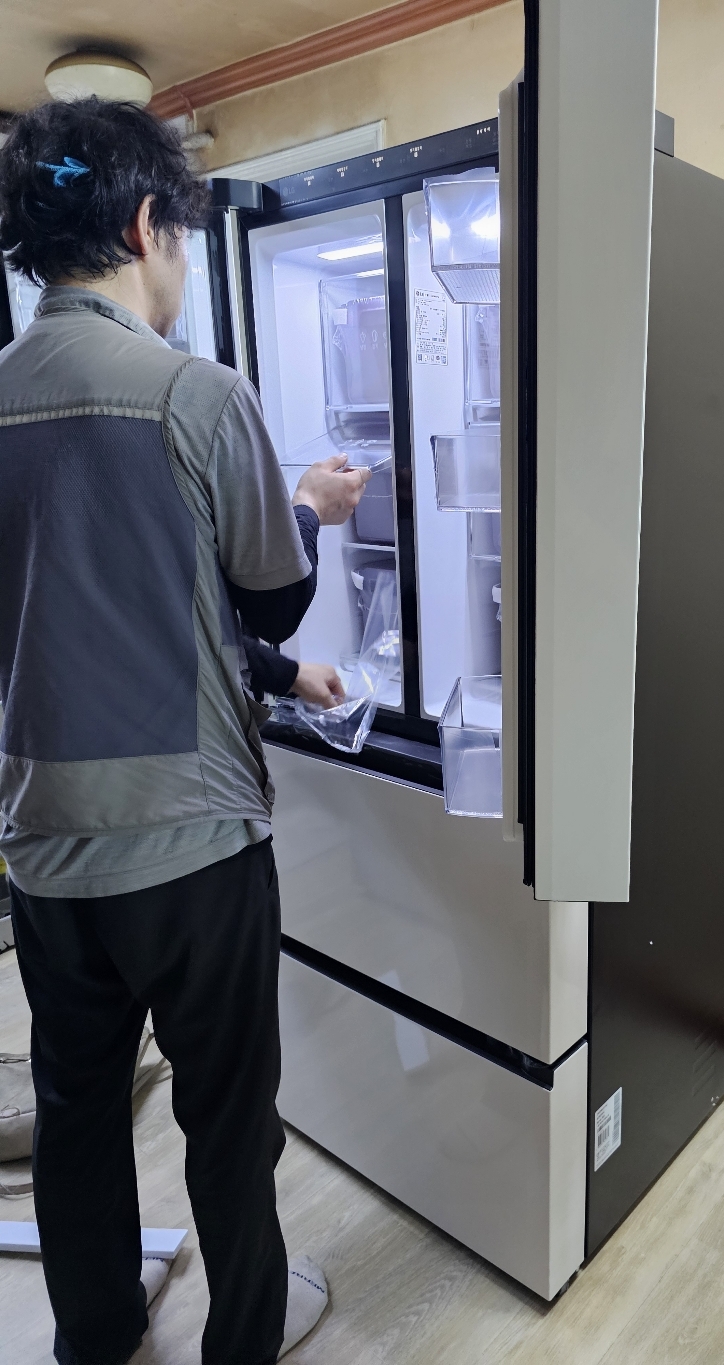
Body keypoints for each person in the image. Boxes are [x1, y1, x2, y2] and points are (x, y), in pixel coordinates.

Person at [0, 97, 371, 1365]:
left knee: (78, 1110)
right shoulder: (193, 394)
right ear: (146, 225)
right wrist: (310, 506)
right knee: (227, 1117)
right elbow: (267, 594)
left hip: (46, 846)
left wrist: (275, 669)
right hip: (194, 845)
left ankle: (97, 1335)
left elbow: (91, 605)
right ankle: (244, 1341)